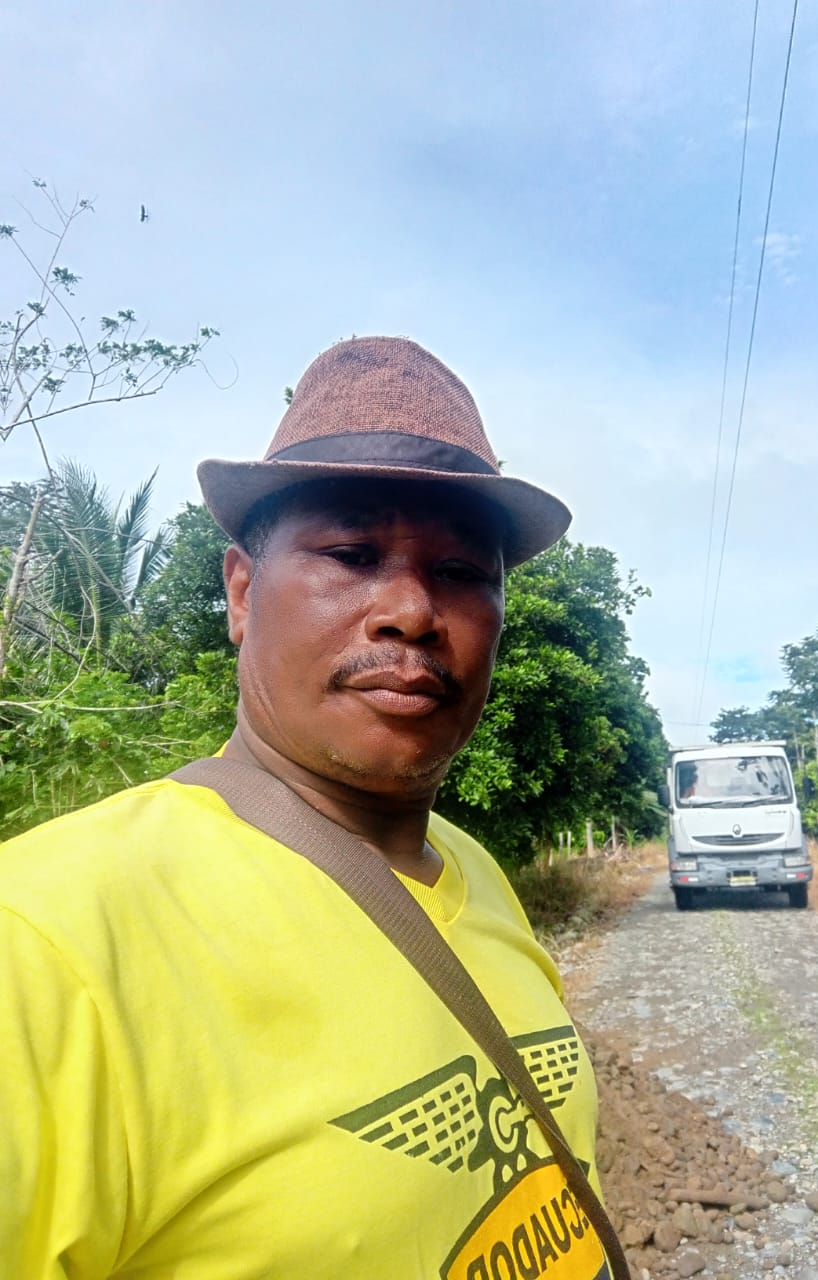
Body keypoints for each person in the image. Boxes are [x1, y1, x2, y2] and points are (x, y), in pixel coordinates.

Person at [0, 337, 609, 1279]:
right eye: (352, 555)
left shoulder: (476, 872)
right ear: (243, 593)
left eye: (460, 573)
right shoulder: (46, 939)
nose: (412, 612)